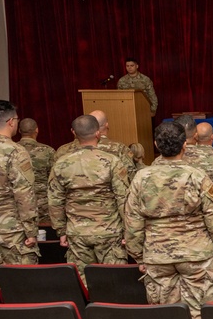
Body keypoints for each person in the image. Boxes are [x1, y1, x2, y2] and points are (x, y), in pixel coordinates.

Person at [124, 121, 213, 319]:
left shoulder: (141, 178)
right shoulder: (197, 176)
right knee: (200, 317)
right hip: (197, 256)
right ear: (185, 145)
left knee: (166, 318)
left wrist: (138, 255)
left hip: (157, 255)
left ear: (156, 144)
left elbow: (132, 221)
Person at [47, 115, 129, 279]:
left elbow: (55, 201)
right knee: (113, 280)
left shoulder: (62, 163)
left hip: (77, 233)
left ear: (73, 133)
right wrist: (129, 231)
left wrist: (61, 230)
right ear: (98, 133)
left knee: (82, 282)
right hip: (109, 232)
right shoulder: (112, 161)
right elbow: (123, 198)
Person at [0, 100, 38, 264]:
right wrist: (31, 230)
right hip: (11, 230)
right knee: (20, 283)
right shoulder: (16, 151)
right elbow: (24, 193)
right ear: (11, 122)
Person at [55, 109, 136, 181]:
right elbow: (130, 177)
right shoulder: (120, 149)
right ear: (106, 125)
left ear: (74, 131)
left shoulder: (63, 150)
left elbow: (55, 180)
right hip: (109, 197)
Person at [16, 117, 54, 224]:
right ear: (37, 130)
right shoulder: (48, 151)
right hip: (44, 205)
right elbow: (54, 180)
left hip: (19, 203)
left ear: (19, 131)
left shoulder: (13, 150)